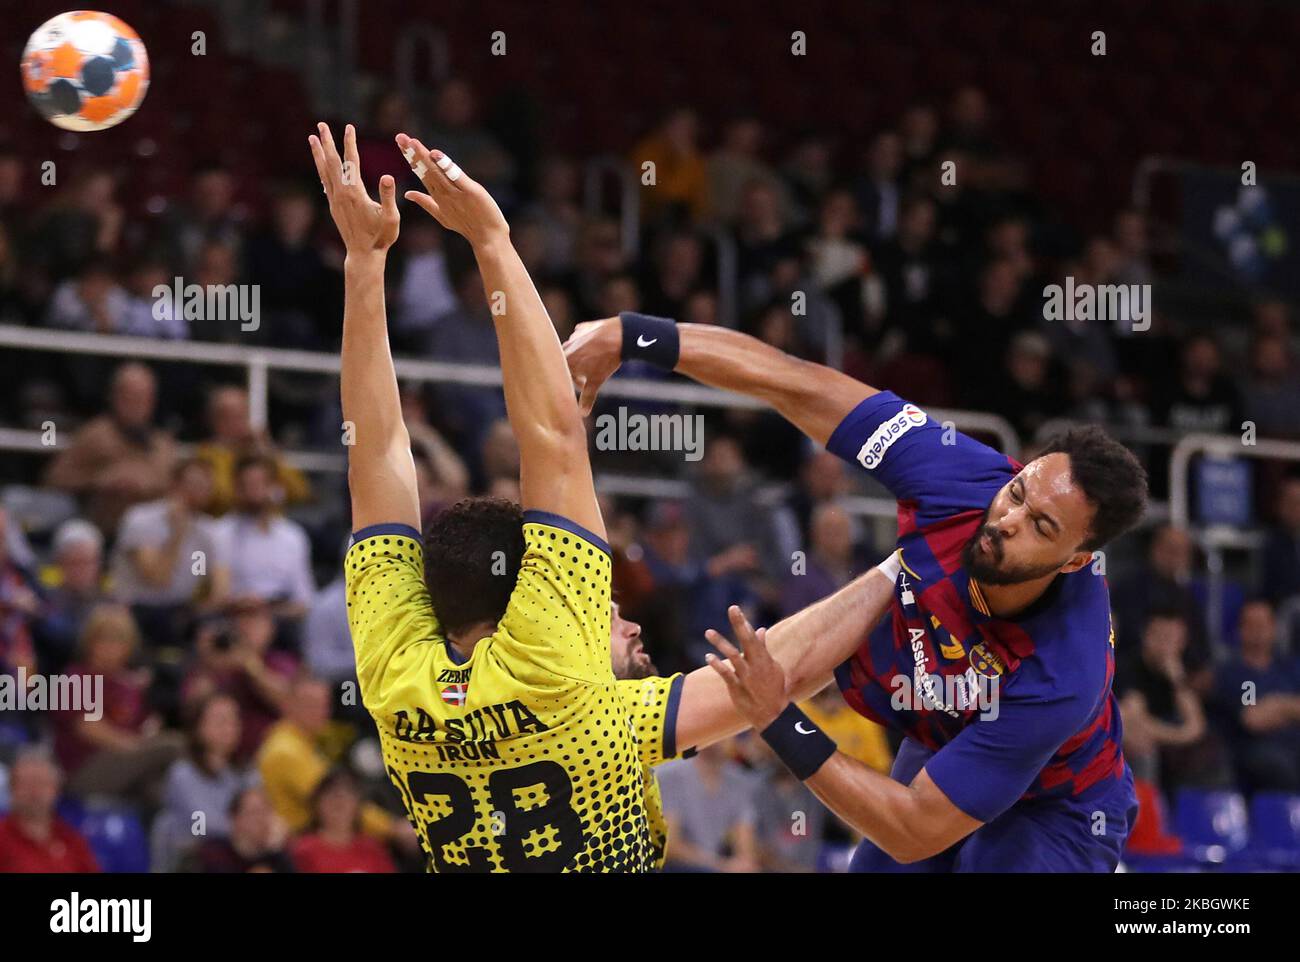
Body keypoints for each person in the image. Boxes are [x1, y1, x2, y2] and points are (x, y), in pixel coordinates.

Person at [566, 307, 1150, 872]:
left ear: (1074, 561)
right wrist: (634, 335)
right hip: (949, 743)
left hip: (1056, 803)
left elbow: (913, 829)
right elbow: (795, 383)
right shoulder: (960, 479)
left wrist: (778, 720)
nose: (1007, 520)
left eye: (1041, 526)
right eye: (1019, 492)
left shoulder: (1062, 670)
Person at [43, 362, 178, 533]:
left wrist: (146, 485)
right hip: (97, 530)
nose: (136, 405)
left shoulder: (163, 445)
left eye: (142, 398)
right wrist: (99, 481)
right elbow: (53, 479)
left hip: (148, 538)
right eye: (129, 397)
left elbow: (177, 492)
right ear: (114, 396)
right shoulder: (95, 434)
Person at [151, 692, 257, 872]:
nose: (229, 728)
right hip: (192, 858)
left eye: (233, 721)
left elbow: (261, 812)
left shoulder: (246, 773)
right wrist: (248, 829)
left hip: (240, 854)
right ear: (198, 727)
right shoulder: (182, 774)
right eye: (220, 721)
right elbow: (201, 825)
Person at [0, 750, 100, 873]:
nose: (34, 792)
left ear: (56, 790)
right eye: (26, 784)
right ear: (12, 789)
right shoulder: (3, 837)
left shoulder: (72, 839)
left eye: (42, 784)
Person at [290, 768, 398, 873]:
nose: (340, 800)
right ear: (317, 803)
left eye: (348, 794)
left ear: (358, 803)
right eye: (331, 794)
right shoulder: (302, 851)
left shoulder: (373, 849)